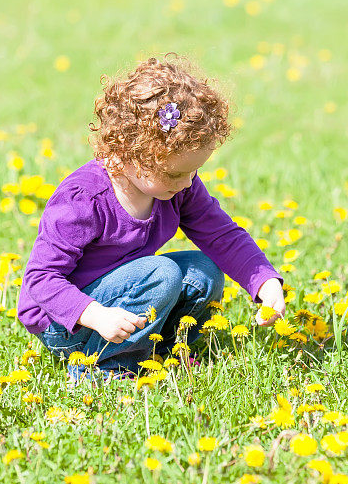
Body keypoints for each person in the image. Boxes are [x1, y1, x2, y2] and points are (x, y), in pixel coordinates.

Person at [17, 54, 286, 383]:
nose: (188, 183)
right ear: (131, 152)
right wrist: (95, 315)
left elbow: (221, 235)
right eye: (176, 173)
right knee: (161, 273)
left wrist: (265, 282)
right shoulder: (83, 201)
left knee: (204, 271)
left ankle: (169, 352)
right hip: (67, 321)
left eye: (194, 172)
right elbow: (41, 279)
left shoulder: (177, 189)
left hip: (124, 296)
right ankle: (104, 368)